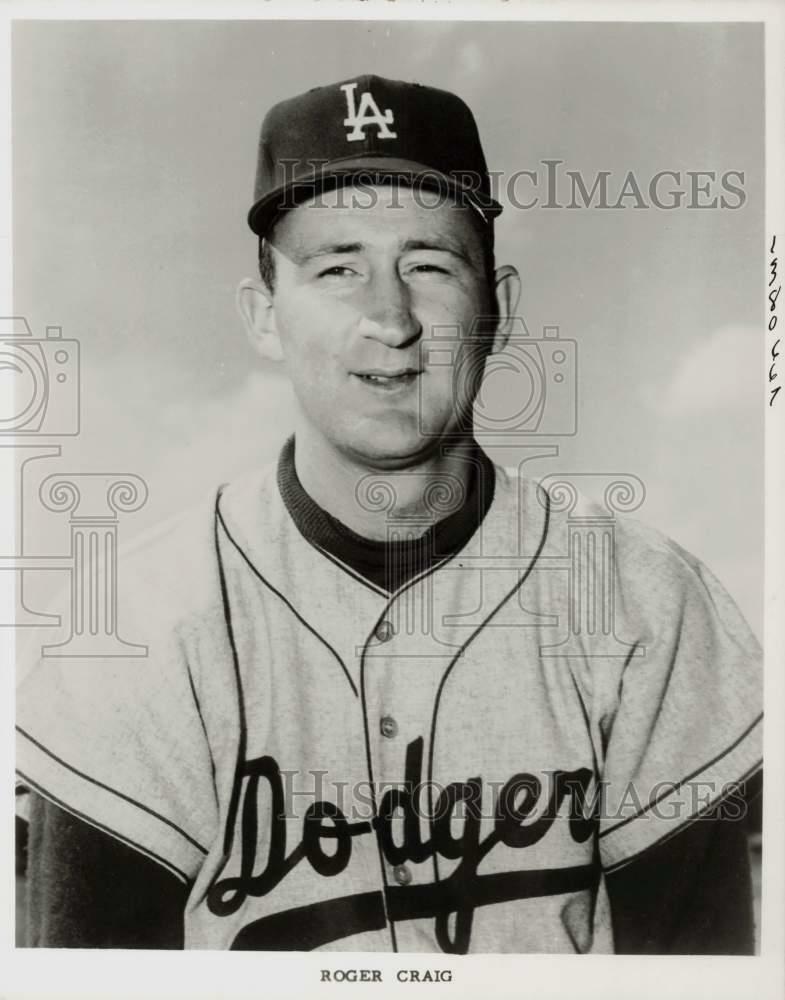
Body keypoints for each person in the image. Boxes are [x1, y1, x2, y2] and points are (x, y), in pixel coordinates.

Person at [16, 74, 762, 953]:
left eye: (428, 264)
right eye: (337, 268)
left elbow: (697, 967)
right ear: (263, 316)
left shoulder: (644, 600)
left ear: (499, 308)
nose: (389, 317)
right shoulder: (135, 624)